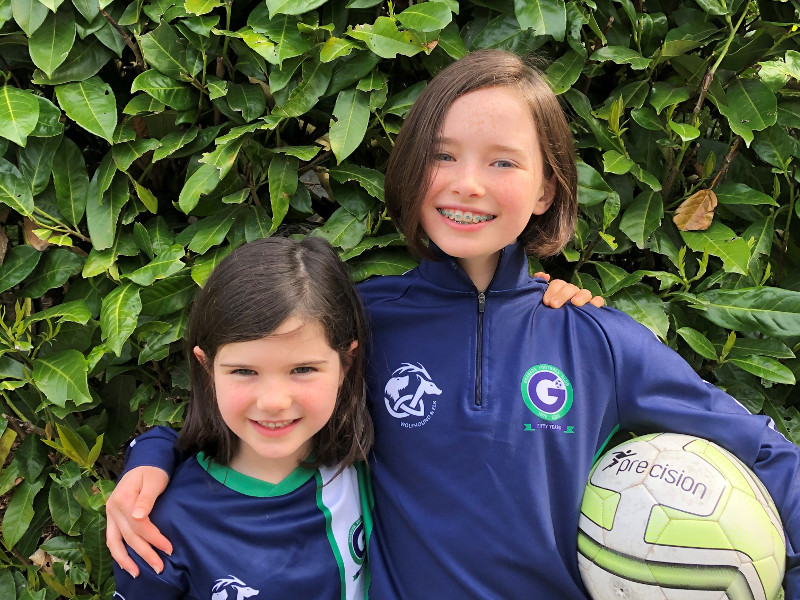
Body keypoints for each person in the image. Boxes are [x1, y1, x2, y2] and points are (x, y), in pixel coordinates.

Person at [107, 49, 800, 599]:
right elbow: (242, 402)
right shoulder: (362, 320)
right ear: (412, 169)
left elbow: (768, 457)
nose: (467, 183)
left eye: (502, 162)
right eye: (443, 156)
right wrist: (149, 460)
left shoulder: (598, 341)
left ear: (545, 188)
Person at [112, 236, 373, 599]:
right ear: (207, 368)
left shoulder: (371, 467)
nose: (274, 402)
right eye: (244, 372)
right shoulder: (162, 525)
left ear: (346, 363)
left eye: (303, 368)